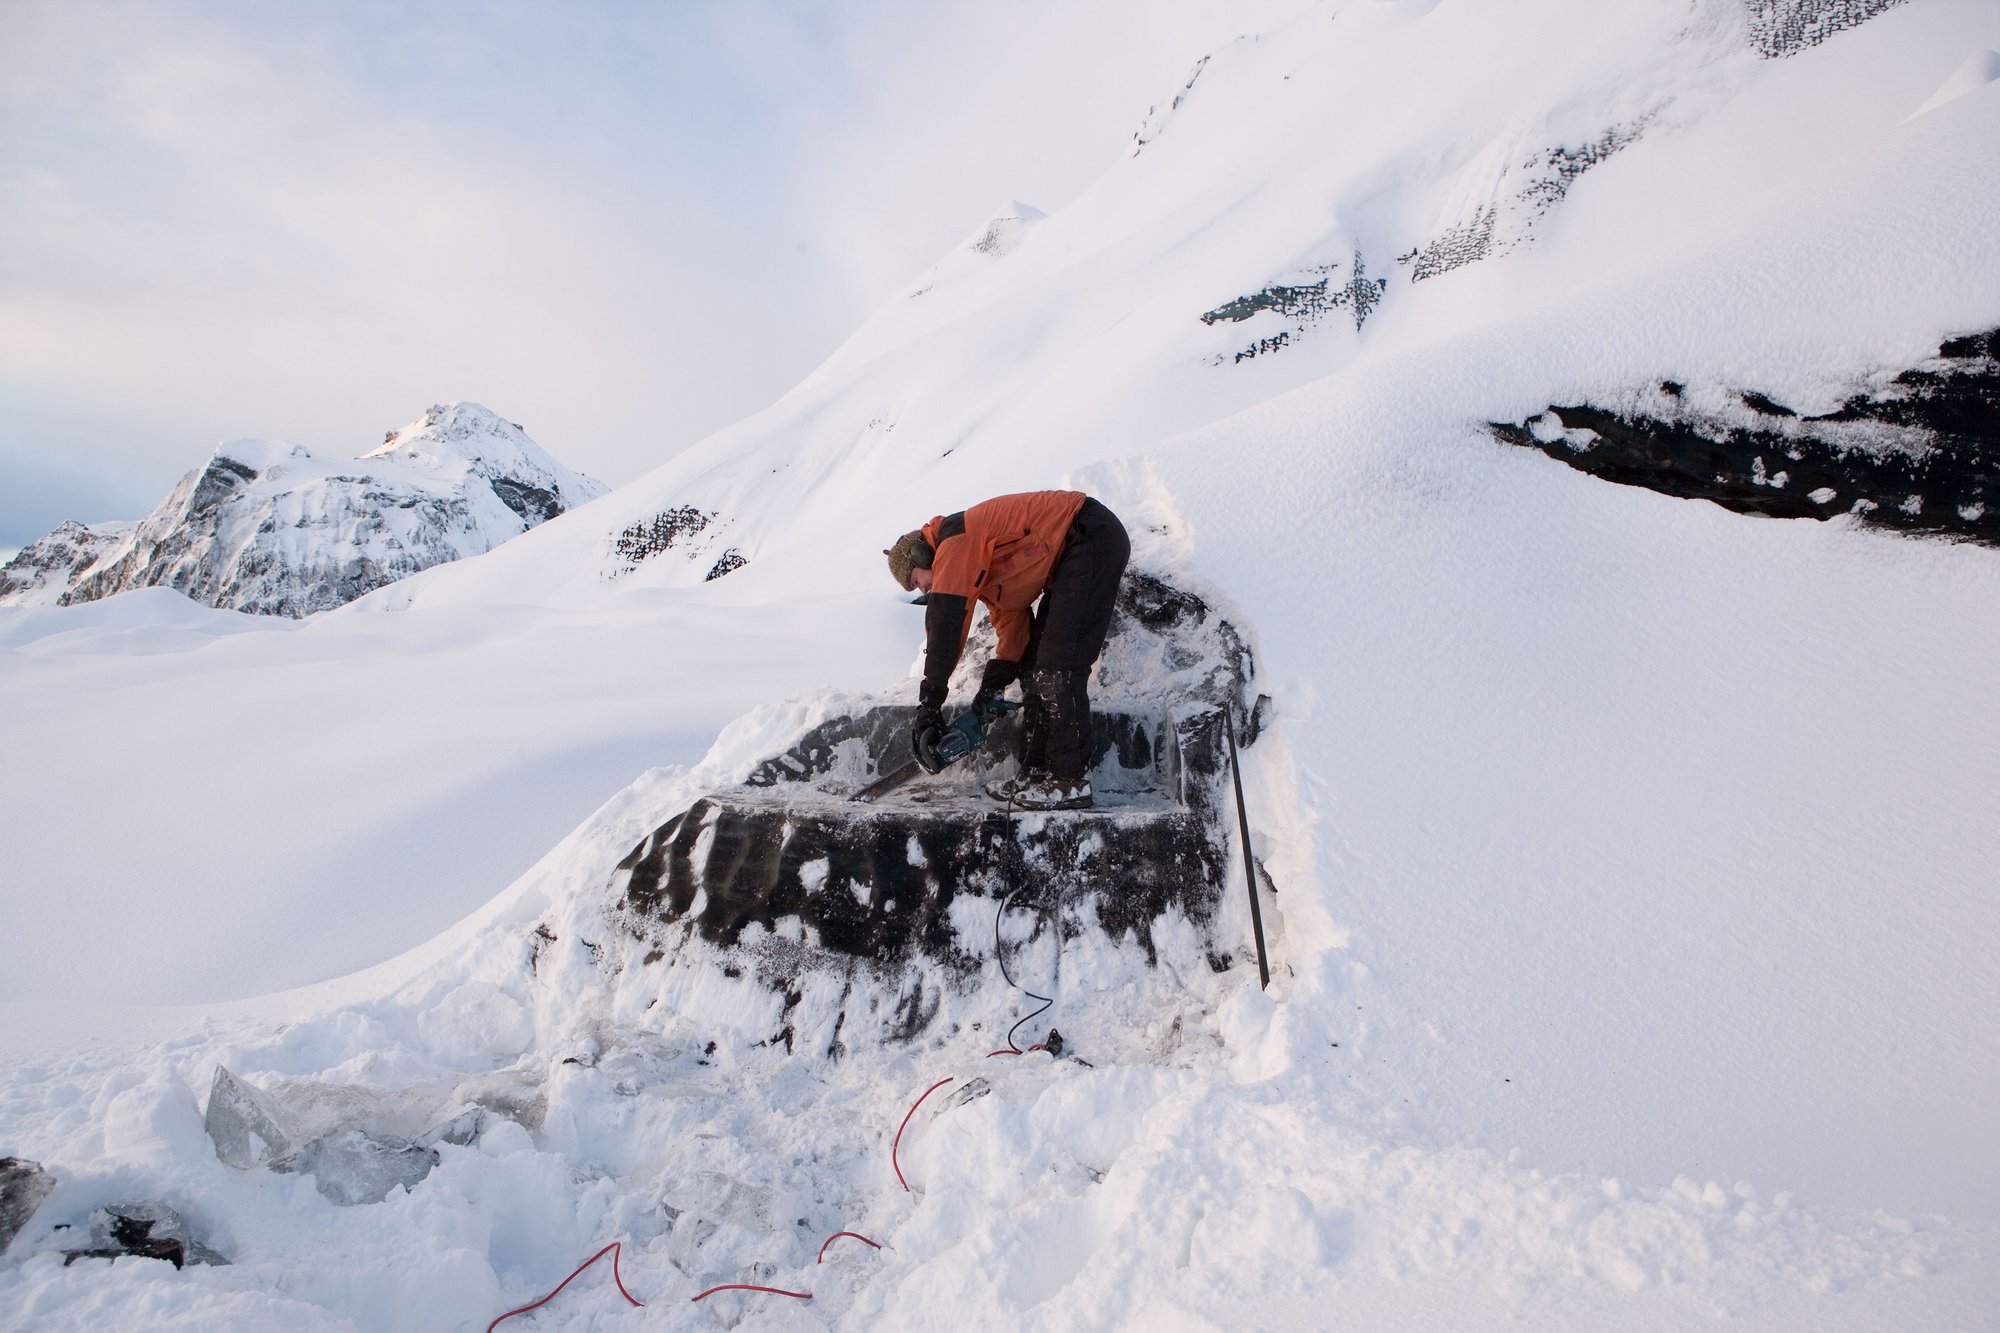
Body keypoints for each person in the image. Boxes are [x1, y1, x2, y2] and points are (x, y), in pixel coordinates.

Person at [884, 490, 1129, 810]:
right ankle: (1039, 773)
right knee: (1035, 668)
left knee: (1058, 668)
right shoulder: (982, 570)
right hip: (1070, 558)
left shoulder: (956, 539)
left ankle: (1070, 781)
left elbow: (946, 621)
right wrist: (992, 687)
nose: (924, 590)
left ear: (922, 556)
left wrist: (929, 704)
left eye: (918, 581)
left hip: (1088, 533)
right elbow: (1014, 629)